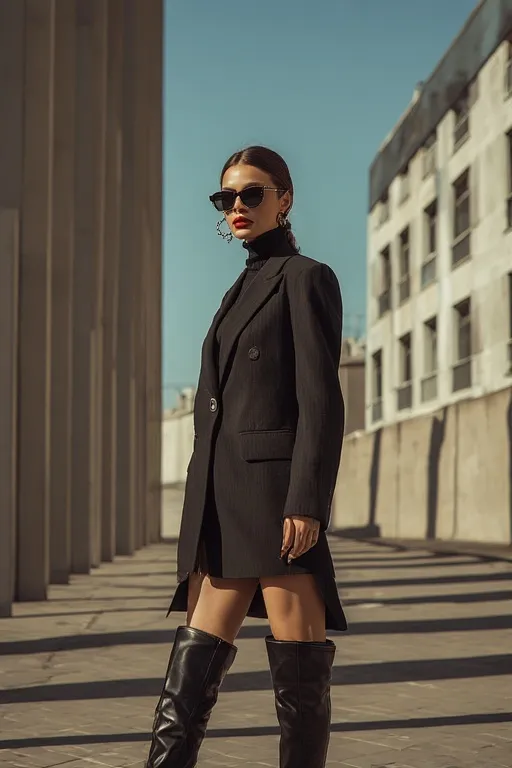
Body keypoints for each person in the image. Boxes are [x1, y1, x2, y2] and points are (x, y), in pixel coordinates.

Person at [145, 146, 347, 768]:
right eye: (226, 197)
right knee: (187, 681)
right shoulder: (241, 287)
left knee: (298, 683)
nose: (237, 207)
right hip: (219, 498)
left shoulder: (306, 278)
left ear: (284, 198)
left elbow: (321, 401)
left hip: (274, 505)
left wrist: (307, 503)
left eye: (251, 194)